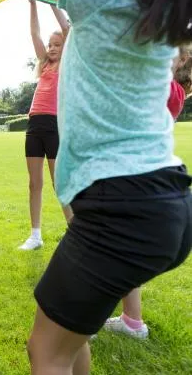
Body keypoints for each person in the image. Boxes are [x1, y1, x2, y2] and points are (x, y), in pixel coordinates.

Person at [0, 0, 192, 373]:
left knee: (46, 350)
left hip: (122, 209)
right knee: (69, 332)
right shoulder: (152, 0)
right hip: (164, 202)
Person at [100, 46, 192, 340]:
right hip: (137, 173)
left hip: (133, 175)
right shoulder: (172, 89)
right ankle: (132, 321)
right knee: (122, 248)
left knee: (110, 246)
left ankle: (87, 318)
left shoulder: (168, 88)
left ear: (181, 60)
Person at [19, 0, 74, 251]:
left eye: (57, 45)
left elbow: (67, 30)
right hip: (34, 126)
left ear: (66, 48)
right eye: (50, 45)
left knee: (58, 182)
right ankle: (35, 235)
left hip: (54, 126)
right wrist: (31, 3)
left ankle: (75, 231)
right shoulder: (44, 66)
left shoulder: (67, 64)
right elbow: (33, 33)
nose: (51, 48)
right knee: (34, 183)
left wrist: (51, 2)